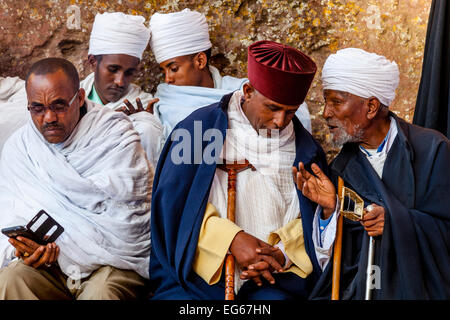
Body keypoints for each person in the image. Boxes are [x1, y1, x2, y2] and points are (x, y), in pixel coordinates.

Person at [149, 40, 328, 300]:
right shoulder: (197, 132)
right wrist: (230, 240)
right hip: (199, 278)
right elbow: (173, 211)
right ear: (247, 91)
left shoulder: (306, 150)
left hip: (274, 279)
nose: (280, 121)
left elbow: (311, 220)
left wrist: (280, 253)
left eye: (290, 112)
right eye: (272, 108)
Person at [293, 48, 450, 299]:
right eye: (326, 101)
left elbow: (445, 231)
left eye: (336, 101)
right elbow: (340, 262)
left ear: (371, 106)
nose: (325, 113)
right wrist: (330, 209)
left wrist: (396, 222)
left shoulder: (432, 150)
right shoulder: (341, 170)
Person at [0, 58, 153, 300]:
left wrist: (70, 247)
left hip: (112, 261)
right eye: (38, 108)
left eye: (59, 105)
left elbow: (130, 222)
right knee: (11, 280)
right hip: (50, 266)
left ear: (80, 98)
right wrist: (28, 249)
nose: (49, 117)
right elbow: (10, 217)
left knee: (102, 293)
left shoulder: (115, 135)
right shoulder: (20, 148)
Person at [146, 8, 312, 145]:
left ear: (200, 60)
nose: (167, 79)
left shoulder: (244, 91)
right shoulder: (163, 103)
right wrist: (148, 124)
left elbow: (294, 115)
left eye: (173, 68)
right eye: (163, 71)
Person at [84, 12, 162, 168]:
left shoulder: (144, 108)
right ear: (93, 62)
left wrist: (144, 127)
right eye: (113, 69)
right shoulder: (71, 98)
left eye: (129, 72)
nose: (120, 81)